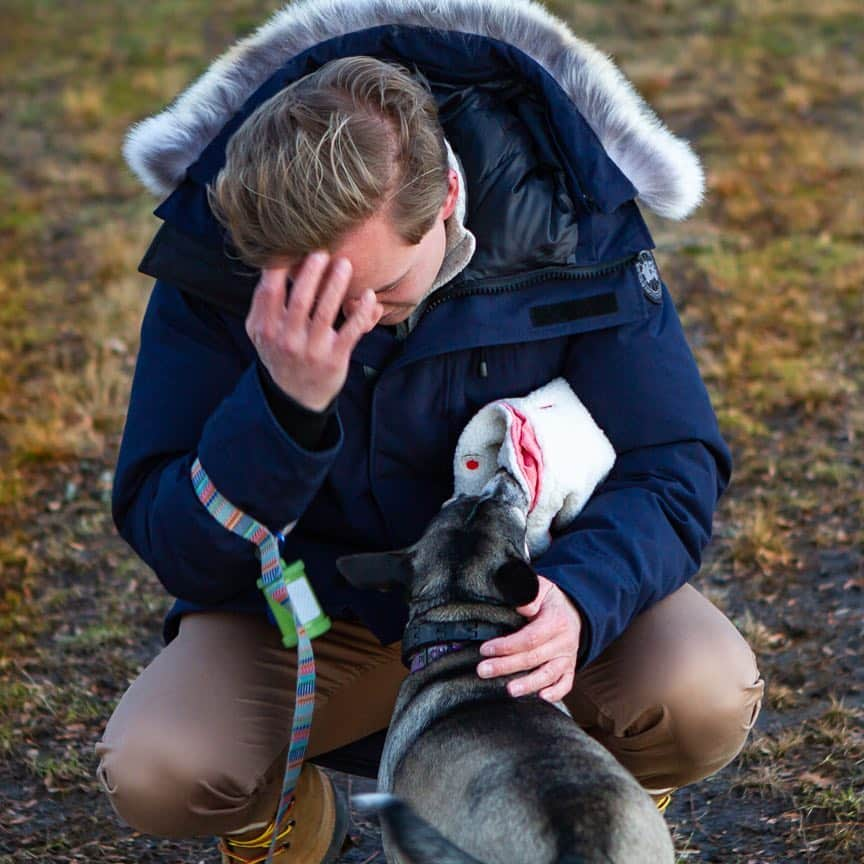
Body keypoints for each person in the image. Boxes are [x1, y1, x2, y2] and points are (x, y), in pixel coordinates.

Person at [95, 4, 765, 862]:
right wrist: (283, 412)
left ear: (450, 195)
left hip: (523, 595)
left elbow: (675, 461)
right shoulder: (221, 252)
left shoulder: (568, 211)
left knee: (696, 694)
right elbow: (174, 541)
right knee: (164, 766)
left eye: (380, 286)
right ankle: (280, 819)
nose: (359, 321)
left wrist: (581, 600)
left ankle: (594, 798)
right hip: (314, 617)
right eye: (321, 296)